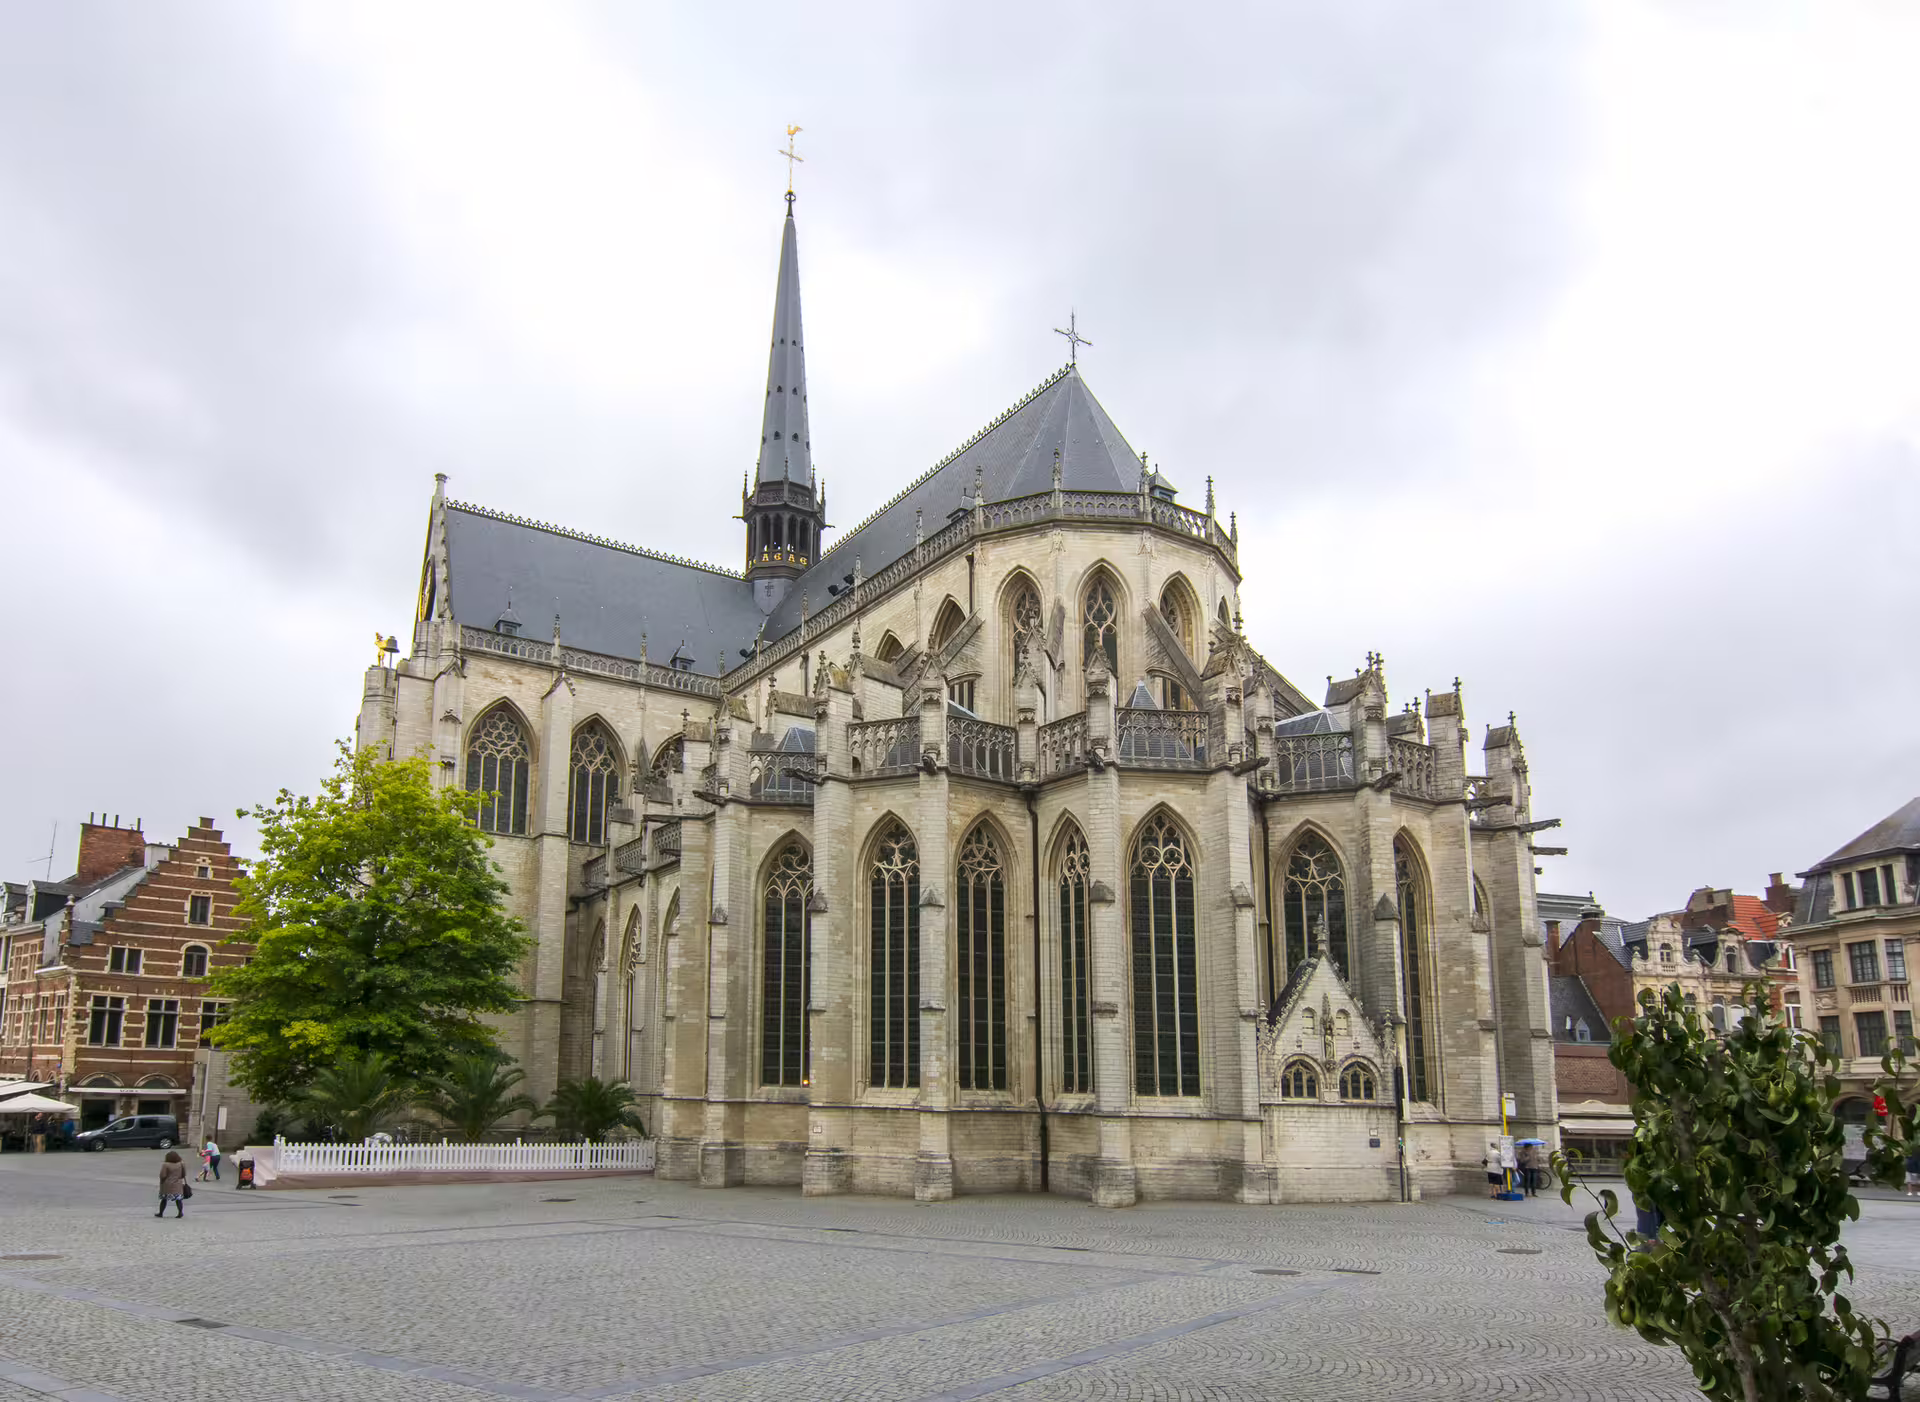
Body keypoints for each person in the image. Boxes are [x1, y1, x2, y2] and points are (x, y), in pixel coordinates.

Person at [157, 1151, 187, 1218]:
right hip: (177, 1185)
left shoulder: (166, 1165)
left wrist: (162, 1181)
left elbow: (163, 1175)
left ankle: (160, 1213)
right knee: (178, 1200)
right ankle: (180, 1212)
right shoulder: (181, 1164)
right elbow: (184, 1174)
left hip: (167, 1185)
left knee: (164, 1199)